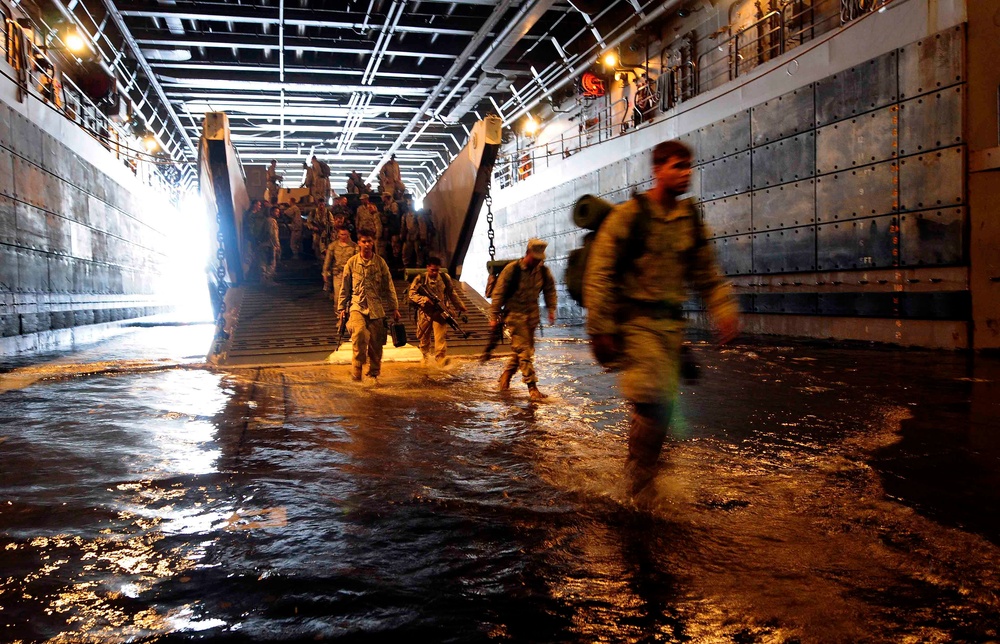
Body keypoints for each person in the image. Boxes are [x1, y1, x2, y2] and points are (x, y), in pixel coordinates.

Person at [583, 139, 739, 496]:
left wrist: (724, 310)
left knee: (661, 408)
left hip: (671, 331)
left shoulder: (689, 222)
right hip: (635, 327)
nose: (685, 174)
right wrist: (600, 330)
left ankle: (639, 476)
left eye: (688, 167)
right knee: (653, 401)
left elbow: (707, 274)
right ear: (657, 170)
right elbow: (600, 273)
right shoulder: (630, 217)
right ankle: (636, 490)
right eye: (676, 167)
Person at [489, 239, 557, 401]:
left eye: (540, 259)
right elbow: (498, 294)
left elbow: (549, 290)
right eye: (535, 259)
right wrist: (494, 316)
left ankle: (506, 375)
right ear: (527, 254)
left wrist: (551, 309)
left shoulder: (543, 271)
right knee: (524, 351)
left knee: (523, 351)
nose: (537, 262)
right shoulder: (512, 270)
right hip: (514, 315)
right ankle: (532, 388)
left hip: (532, 316)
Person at [337, 229, 401, 385]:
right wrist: (341, 309)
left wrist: (394, 308)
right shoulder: (352, 263)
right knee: (358, 334)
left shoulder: (380, 263)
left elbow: (388, 286)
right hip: (357, 306)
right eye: (364, 241)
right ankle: (357, 370)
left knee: (376, 343)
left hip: (376, 308)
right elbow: (345, 287)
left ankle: (373, 374)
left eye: (369, 241)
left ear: (373, 243)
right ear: (359, 243)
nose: (367, 244)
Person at [408, 256, 468, 368]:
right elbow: (412, 294)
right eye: (432, 270)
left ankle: (440, 360)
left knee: (440, 338)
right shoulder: (420, 279)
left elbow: (451, 293)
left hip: (440, 312)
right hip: (425, 313)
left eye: (437, 270)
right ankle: (425, 358)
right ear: (427, 268)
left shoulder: (445, 278)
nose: (435, 272)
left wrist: (460, 306)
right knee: (423, 338)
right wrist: (423, 299)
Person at [323, 225, 358, 307]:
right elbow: (328, 260)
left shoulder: (354, 246)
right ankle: (339, 315)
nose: (343, 236)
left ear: (348, 234)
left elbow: (357, 261)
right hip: (338, 273)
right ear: (338, 235)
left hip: (350, 274)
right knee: (338, 296)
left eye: (345, 234)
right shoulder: (333, 246)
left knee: (350, 296)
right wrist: (325, 272)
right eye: (341, 234)